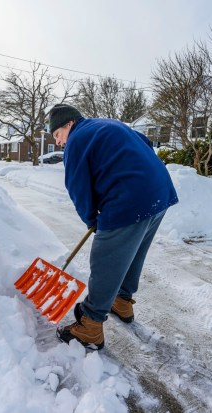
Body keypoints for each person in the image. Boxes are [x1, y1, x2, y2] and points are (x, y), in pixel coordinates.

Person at [49, 103, 178, 350]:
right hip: (159, 193)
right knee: (133, 251)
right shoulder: (108, 123)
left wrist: (92, 219)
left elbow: (78, 187)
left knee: (105, 259)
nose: (58, 142)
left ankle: (90, 326)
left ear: (68, 124)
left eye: (57, 134)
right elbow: (145, 143)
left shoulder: (77, 140)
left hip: (129, 198)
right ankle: (122, 300)